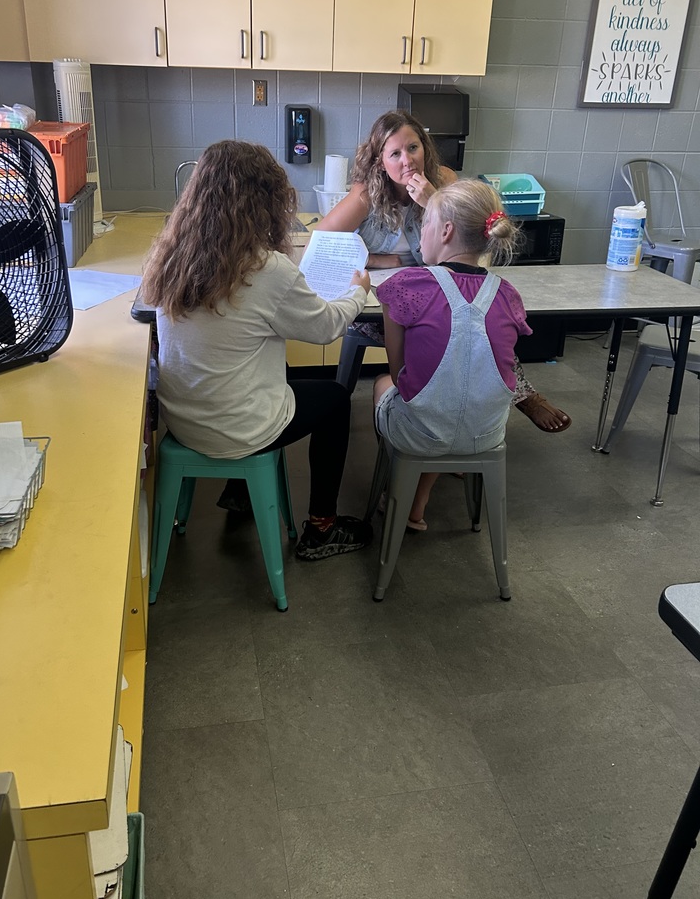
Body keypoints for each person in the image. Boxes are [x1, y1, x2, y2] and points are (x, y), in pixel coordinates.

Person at [141, 140, 373, 561]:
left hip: (184, 420)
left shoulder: (171, 253)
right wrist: (357, 293)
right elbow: (326, 327)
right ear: (266, 201)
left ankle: (240, 491)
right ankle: (323, 528)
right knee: (337, 400)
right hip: (236, 429)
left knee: (270, 361)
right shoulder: (266, 268)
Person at [319, 109, 570, 433]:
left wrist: (432, 200)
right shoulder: (368, 193)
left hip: (439, 295)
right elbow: (323, 245)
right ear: (381, 161)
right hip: (384, 307)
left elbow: (465, 241)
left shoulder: (445, 182)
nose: (407, 160)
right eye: (395, 153)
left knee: (476, 323)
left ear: (425, 147)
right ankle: (470, 412)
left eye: (413, 148)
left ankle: (498, 404)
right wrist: (382, 261)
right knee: (460, 326)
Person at [373, 178, 531, 530]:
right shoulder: (508, 294)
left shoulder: (405, 285)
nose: (422, 231)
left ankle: (395, 488)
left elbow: (401, 374)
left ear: (445, 231)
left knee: (385, 384)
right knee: (456, 393)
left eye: (424, 223)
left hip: (422, 434)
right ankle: (422, 494)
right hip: (486, 435)